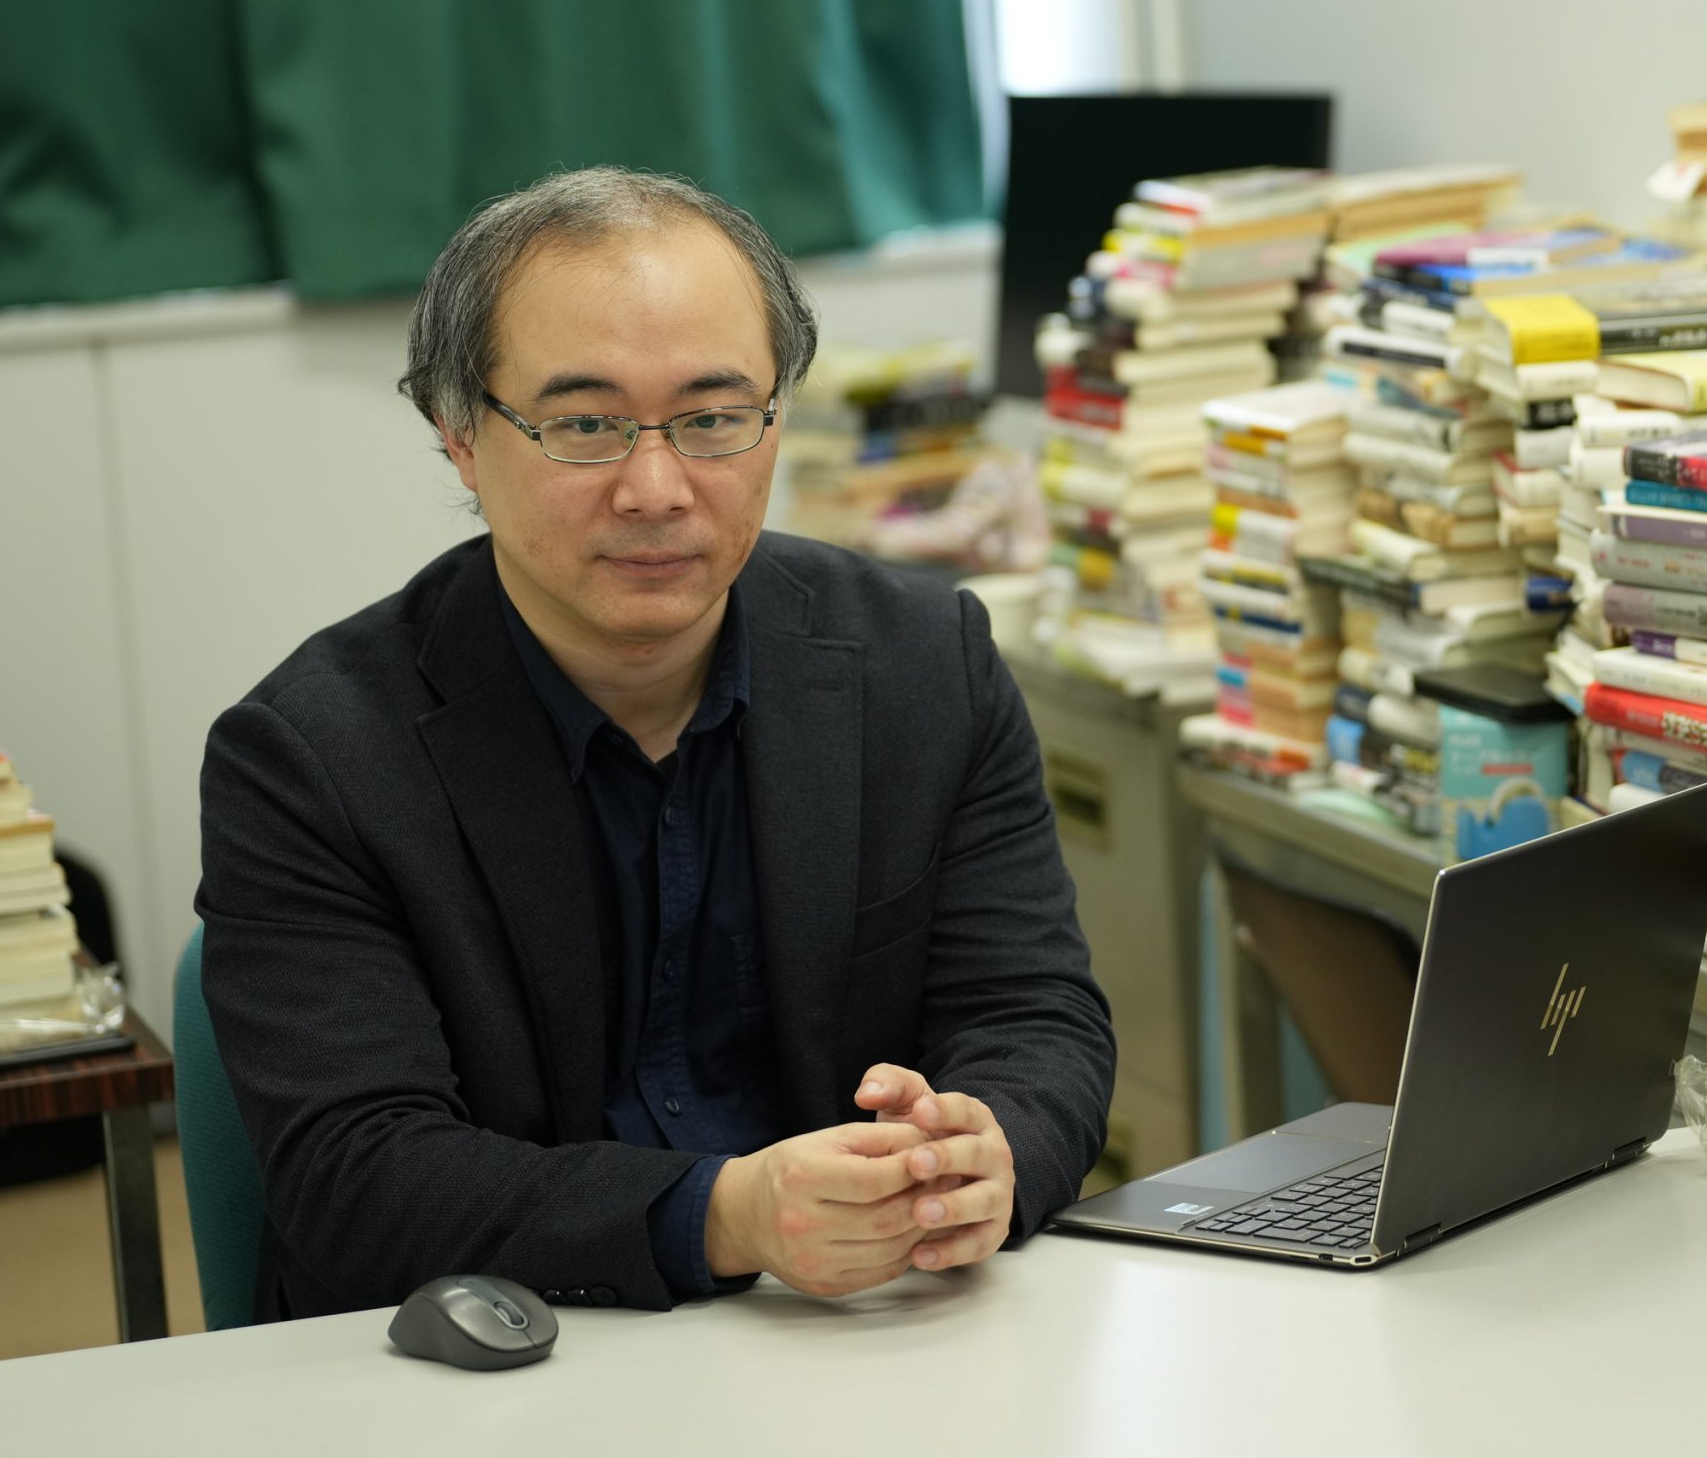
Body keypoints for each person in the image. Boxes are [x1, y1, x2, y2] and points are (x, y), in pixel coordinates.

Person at [197, 167, 1114, 1319]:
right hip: (498, 1362)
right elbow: (357, 1175)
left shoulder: (926, 666)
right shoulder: (309, 758)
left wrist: (989, 1148)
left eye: (713, 418)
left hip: (859, 1337)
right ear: (460, 435)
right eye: (585, 425)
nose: (656, 487)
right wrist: (725, 1214)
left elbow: (1035, 1017)